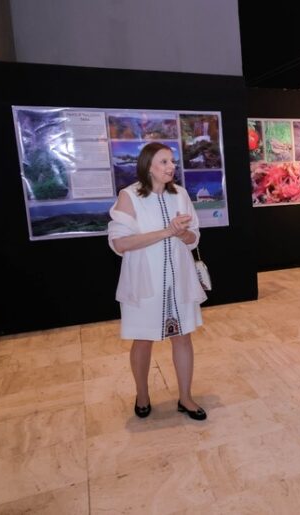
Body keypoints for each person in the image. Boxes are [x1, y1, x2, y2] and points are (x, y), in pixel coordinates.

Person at [108, 142, 208, 421]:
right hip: (144, 281)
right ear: (148, 166)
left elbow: (193, 238)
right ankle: (142, 395)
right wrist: (166, 231)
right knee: (142, 340)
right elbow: (119, 242)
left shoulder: (182, 195)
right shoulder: (129, 196)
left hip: (179, 279)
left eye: (172, 161)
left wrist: (182, 233)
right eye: (164, 162)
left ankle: (185, 398)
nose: (171, 166)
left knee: (183, 337)